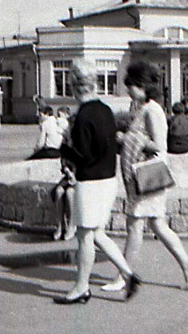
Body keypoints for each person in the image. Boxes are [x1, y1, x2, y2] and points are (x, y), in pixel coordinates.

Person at [102, 61, 188, 292]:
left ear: (142, 86)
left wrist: (127, 139)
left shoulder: (152, 110)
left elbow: (159, 146)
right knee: (157, 225)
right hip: (145, 177)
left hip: (147, 177)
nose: (128, 89)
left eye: (131, 85)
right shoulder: (143, 108)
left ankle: (124, 275)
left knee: (135, 224)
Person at [54, 60, 140, 304]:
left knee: (84, 236)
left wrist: (63, 149)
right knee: (98, 233)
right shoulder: (104, 110)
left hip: (90, 182)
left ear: (74, 86)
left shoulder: (82, 116)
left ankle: (81, 287)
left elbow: (83, 157)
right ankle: (129, 275)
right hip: (108, 179)